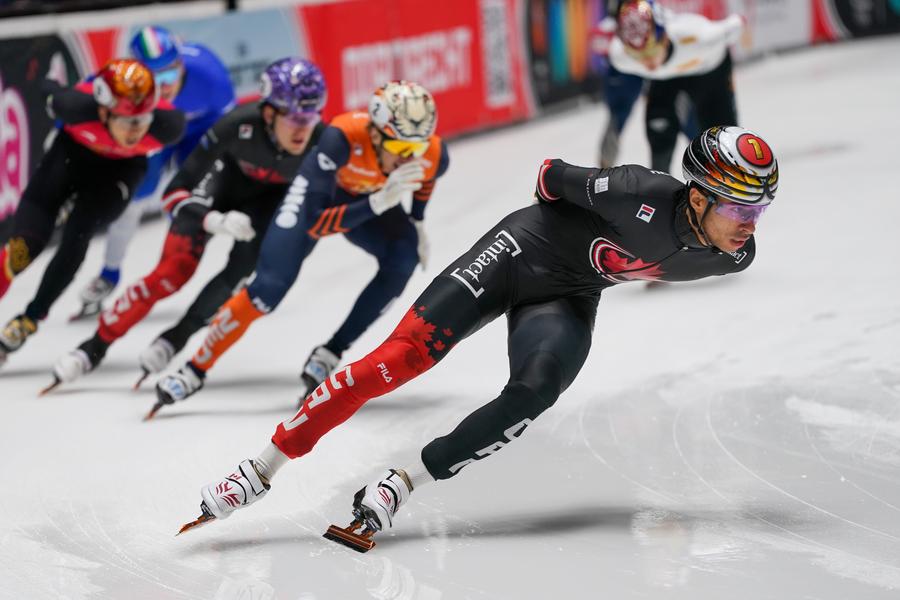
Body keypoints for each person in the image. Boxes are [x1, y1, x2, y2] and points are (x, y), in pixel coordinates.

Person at [176, 125, 779, 546]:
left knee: (536, 391)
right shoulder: (635, 191)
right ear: (697, 195)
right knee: (403, 358)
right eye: (739, 209)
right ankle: (259, 470)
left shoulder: (733, 256)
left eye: (758, 212)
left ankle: (400, 483)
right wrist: (547, 237)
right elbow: (549, 177)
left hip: (569, 293)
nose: (748, 227)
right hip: (516, 252)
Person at [151, 80, 449, 416]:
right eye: (400, 147)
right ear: (376, 133)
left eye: (417, 148)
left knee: (404, 256)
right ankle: (194, 368)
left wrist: (417, 220)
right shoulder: (341, 138)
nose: (408, 157)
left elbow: (426, 178)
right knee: (268, 288)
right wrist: (379, 201)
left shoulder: (433, 154)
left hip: (370, 198)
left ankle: (331, 352)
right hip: (322, 199)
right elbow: (315, 223)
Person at [47, 58, 327, 389]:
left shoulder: (323, 140)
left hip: (271, 202)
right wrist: (212, 219)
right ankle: (93, 347)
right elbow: (173, 193)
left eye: (311, 117)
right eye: (295, 118)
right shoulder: (236, 125)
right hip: (223, 186)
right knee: (172, 272)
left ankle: (176, 338)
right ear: (269, 113)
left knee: (239, 272)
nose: (303, 129)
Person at [0, 59, 185, 367]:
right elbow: (48, 87)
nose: (135, 131)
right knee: (22, 249)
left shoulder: (169, 125)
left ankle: (30, 318)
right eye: (127, 121)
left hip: (119, 172)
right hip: (70, 158)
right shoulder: (73, 107)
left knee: (79, 231)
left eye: (142, 120)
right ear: (102, 112)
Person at [73, 25, 235, 319]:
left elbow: (230, 126)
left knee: (197, 196)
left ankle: (213, 273)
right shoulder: (126, 80)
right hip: (155, 127)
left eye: (170, 76)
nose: (165, 87)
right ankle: (109, 274)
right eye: (155, 79)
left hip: (198, 129)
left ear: (181, 65)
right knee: (136, 195)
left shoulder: (210, 77)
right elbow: (82, 94)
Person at [609, 0, 743, 172]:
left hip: (709, 72)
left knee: (722, 143)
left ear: (664, 37)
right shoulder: (620, 56)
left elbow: (737, 23)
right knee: (659, 133)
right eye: (637, 55)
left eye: (651, 50)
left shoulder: (702, 36)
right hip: (665, 78)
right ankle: (659, 185)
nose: (648, 62)